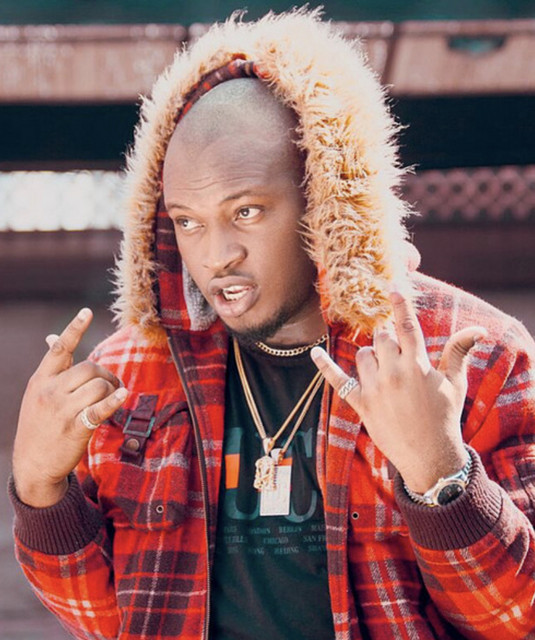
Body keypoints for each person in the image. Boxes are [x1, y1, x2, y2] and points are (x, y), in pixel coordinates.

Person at [10, 8, 535, 640]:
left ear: (324, 197)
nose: (216, 255)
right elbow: (108, 619)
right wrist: (39, 488)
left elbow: (519, 618)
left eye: (247, 212)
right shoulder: (131, 376)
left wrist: (441, 479)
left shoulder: (471, 356)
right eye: (188, 221)